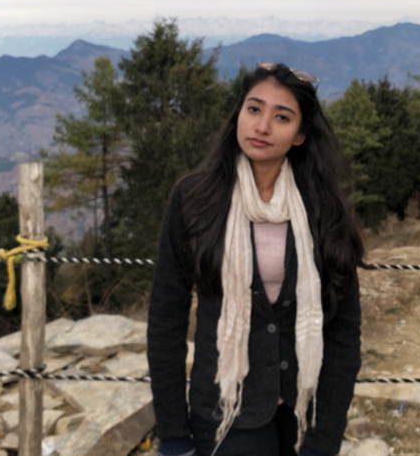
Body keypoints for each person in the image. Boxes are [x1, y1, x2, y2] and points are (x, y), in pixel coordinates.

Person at [147, 62, 364, 456]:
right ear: (238, 115)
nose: (262, 126)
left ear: (300, 135)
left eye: (282, 117)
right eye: (254, 109)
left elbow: (344, 330)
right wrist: (173, 434)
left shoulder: (322, 207)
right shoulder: (194, 200)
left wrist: (325, 437)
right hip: (225, 413)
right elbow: (166, 318)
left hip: (306, 411)